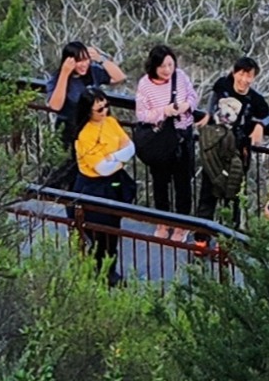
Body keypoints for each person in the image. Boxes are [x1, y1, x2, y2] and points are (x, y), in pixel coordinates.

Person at [70, 90, 139, 285]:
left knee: (112, 231)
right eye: (99, 108)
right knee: (98, 235)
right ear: (88, 111)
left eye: (106, 106)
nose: (104, 111)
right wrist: (117, 160)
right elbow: (102, 168)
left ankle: (111, 271)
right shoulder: (85, 136)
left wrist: (113, 158)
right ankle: (98, 273)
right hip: (93, 188)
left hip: (113, 185)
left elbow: (130, 148)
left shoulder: (111, 122)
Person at [131, 44, 200, 219]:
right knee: (160, 182)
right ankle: (163, 220)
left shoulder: (180, 76)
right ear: (153, 66)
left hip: (183, 137)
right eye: (162, 66)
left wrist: (187, 106)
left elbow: (193, 96)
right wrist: (165, 111)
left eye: (170, 64)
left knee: (183, 183)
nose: (167, 69)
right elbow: (142, 114)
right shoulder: (145, 84)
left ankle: (182, 223)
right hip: (160, 139)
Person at [46, 41, 124, 149]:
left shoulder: (92, 72)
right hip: (70, 131)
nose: (84, 64)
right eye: (79, 61)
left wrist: (101, 59)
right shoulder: (57, 78)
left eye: (86, 59)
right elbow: (55, 106)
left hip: (94, 129)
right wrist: (65, 73)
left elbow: (119, 77)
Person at [195, 92, 253, 226]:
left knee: (207, 201)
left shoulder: (208, 131)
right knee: (230, 201)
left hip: (211, 164)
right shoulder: (231, 136)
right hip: (230, 167)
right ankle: (226, 240)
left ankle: (201, 238)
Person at [208, 56, 269, 150]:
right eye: (241, 74)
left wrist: (260, 125)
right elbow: (213, 98)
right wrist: (208, 114)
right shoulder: (223, 84)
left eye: (249, 76)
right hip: (214, 141)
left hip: (237, 147)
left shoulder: (255, 99)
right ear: (234, 73)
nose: (244, 80)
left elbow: (268, 115)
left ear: (254, 78)